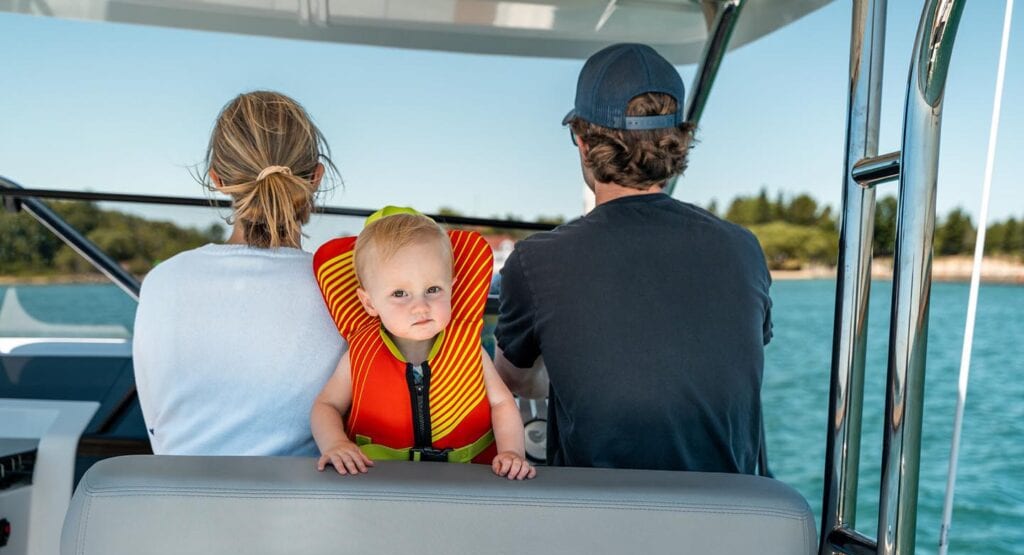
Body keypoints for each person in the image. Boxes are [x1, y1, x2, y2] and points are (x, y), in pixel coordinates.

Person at [494, 44, 773, 474]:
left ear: (584, 144)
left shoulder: (536, 261)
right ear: (677, 143)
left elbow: (512, 380)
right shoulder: (743, 248)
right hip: (736, 523)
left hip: (600, 524)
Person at [133, 90, 345, 456]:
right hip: (306, 510)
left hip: (175, 505)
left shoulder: (161, 281)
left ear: (217, 179)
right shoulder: (342, 287)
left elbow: (159, 426)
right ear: (316, 177)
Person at [310, 207, 535, 480]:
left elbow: (502, 403)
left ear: (451, 287)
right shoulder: (359, 359)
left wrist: (512, 452)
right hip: (379, 483)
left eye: (432, 290)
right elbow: (326, 407)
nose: (420, 307)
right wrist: (336, 443)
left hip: (465, 482)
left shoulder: (470, 352)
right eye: (400, 293)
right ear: (369, 303)